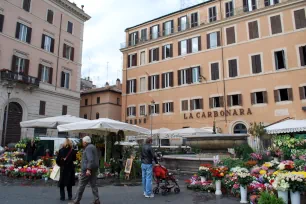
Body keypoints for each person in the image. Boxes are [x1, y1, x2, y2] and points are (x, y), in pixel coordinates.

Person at [69, 136, 100, 204]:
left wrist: (88, 169)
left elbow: (90, 159)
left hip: (87, 169)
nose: (82, 143)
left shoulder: (88, 148)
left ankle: (76, 201)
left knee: (81, 185)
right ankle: (96, 200)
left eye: (83, 142)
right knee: (93, 184)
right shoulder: (93, 147)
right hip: (94, 168)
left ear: (85, 142)